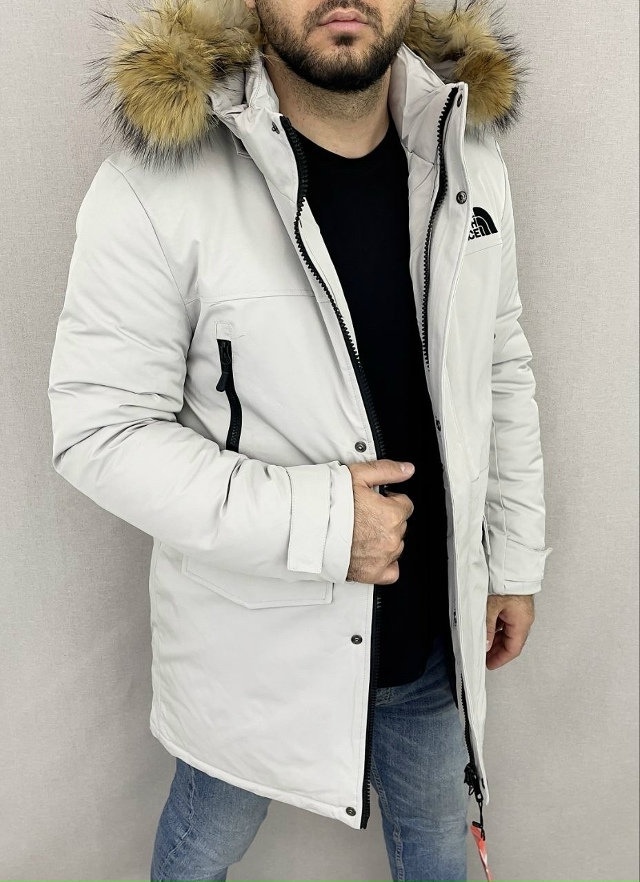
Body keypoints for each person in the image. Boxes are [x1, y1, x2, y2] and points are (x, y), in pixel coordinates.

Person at [47, 0, 552, 879]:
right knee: (200, 849)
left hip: (435, 631)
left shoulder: (469, 153)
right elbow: (101, 430)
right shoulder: (160, 181)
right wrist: (321, 522)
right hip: (255, 651)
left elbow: (498, 364)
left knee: (439, 848)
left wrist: (511, 560)